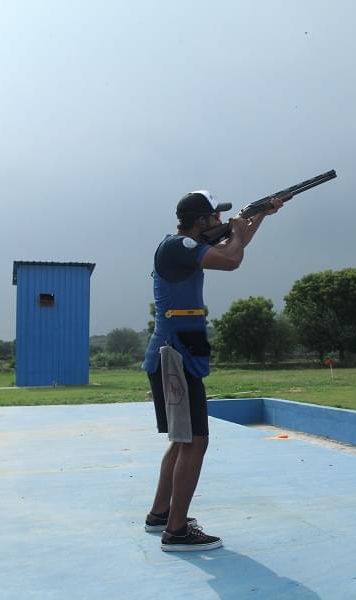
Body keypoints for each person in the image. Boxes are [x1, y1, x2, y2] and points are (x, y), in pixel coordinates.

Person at [142, 189, 282, 552]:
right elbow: (232, 259)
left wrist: (260, 216)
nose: (220, 221)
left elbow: (234, 246)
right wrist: (240, 226)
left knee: (183, 440)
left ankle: (161, 515)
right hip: (176, 354)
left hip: (178, 350)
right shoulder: (179, 246)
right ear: (201, 220)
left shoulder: (184, 246)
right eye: (214, 216)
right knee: (194, 441)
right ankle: (176, 531)